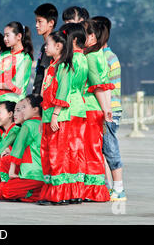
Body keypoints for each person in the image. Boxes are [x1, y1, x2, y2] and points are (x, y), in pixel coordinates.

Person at [37, 30, 74, 205]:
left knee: (56, 155)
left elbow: (63, 93)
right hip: (47, 117)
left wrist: (55, 116)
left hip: (58, 118)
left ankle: (59, 194)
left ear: (58, 46)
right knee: (46, 155)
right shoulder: (51, 66)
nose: (45, 47)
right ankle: (49, 191)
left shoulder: (64, 67)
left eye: (48, 44)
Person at [93, 16, 126, 202]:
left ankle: (119, 188)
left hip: (110, 110)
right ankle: (106, 186)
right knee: (102, 149)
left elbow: (102, 86)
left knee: (110, 148)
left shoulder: (106, 57)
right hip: (104, 110)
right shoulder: (103, 56)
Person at [82, 19, 114, 202]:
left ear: (92, 37)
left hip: (90, 108)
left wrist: (106, 110)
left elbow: (98, 86)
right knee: (93, 149)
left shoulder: (91, 57)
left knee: (91, 150)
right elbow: (105, 85)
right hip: (95, 108)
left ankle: (94, 190)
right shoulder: (99, 54)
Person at [60, 23, 89, 204]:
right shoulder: (84, 59)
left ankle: (66, 190)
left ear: (75, 40)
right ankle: (78, 190)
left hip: (68, 107)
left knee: (66, 150)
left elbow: (64, 87)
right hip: (80, 105)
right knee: (77, 150)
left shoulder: (70, 61)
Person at [0, 94, 44, 203]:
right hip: (42, 172)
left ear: (35, 109)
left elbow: (19, 148)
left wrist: (12, 172)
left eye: (24, 108)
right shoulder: (42, 124)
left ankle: (37, 194)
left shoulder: (28, 124)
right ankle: (40, 190)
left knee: (5, 191)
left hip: (31, 173)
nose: (21, 111)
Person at [0, 22, 33, 103]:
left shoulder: (25, 58)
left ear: (19, 36)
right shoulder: (4, 55)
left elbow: (16, 85)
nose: (5, 38)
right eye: (4, 35)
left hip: (12, 103)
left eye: (7, 35)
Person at [32, 3, 58, 95]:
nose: (36, 25)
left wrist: (42, 97)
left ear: (51, 23)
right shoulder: (45, 46)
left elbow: (47, 74)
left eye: (40, 21)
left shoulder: (52, 45)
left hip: (43, 96)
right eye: (36, 21)